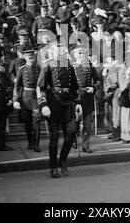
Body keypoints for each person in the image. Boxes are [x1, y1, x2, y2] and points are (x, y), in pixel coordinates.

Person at [37, 43, 83, 178]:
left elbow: (75, 86)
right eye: (59, 47)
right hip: (53, 104)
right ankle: (53, 167)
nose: (62, 49)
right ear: (53, 51)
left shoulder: (69, 65)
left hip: (68, 103)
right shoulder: (47, 65)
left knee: (71, 133)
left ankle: (62, 161)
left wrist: (78, 102)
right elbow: (41, 88)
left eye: (63, 48)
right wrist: (43, 104)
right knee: (54, 138)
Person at [71, 45, 99, 153]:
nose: (82, 55)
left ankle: (85, 145)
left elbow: (97, 80)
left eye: (83, 53)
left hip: (88, 97)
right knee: (75, 122)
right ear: (74, 55)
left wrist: (94, 87)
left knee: (87, 124)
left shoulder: (90, 67)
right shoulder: (71, 67)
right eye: (79, 53)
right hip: (76, 97)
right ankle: (72, 140)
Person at [13, 49, 42, 152]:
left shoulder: (39, 69)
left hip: (36, 97)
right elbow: (16, 86)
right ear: (25, 58)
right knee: (28, 123)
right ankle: (30, 142)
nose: (31, 59)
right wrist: (15, 99)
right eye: (29, 58)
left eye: (33, 57)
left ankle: (36, 144)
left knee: (37, 121)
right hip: (25, 98)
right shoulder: (21, 69)